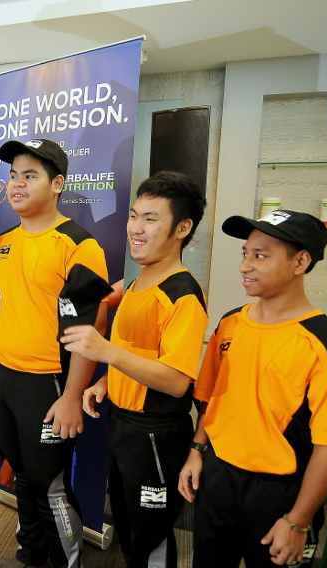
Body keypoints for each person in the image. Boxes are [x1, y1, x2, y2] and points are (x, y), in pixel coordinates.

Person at [178, 210, 327, 568]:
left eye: (261, 256)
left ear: (300, 261)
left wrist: (298, 520)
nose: (245, 266)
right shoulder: (230, 324)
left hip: (279, 493)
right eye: (245, 254)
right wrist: (197, 450)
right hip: (217, 477)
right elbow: (213, 400)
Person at [0, 139, 108, 568]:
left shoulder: (79, 246)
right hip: (5, 380)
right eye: (13, 175)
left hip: (50, 384)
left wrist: (71, 396)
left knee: (49, 486)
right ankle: (32, 556)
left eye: (30, 175)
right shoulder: (1, 244)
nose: (16, 184)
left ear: (57, 184)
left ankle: (68, 562)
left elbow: (89, 331)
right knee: (24, 481)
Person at [61, 172, 208, 568]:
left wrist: (106, 353)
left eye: (150, 219)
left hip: (157, 434)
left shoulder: (182, 294)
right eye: (133, 216)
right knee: (128, 528)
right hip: (123, 424)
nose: (136, 229)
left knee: (151, 537)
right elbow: (141, 351)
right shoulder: (140, 279)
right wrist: (109, 382)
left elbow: (177, 382)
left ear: (182, 228)